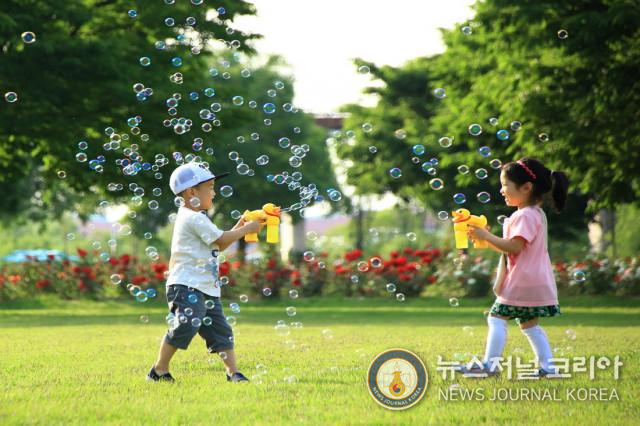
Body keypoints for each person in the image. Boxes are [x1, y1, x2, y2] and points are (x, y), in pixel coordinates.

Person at [146, 162, 264, 383]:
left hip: (206, 286)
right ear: (192, 192)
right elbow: (221, 239)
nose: (214, 191)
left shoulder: (198, 217)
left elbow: (219, 244)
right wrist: (247, 229)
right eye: (209, 187)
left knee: (220, 329)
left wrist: (240, 225)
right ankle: (159, 369)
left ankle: (233, 372)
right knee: (186, 324)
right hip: (186, 284)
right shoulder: (193, 217)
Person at [463, 157, 569, 377]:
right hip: (532, 279)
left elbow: (514, 247)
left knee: (495, 317)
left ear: (526, 187)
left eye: (505, 185)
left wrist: (487, 235)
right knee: (530, 325)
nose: (502, 190)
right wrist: (487, 239)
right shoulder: (533, 214)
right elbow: (510, 250)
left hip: (522, 280)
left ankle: (489, 366)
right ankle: (549, 368)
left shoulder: (526, 215)